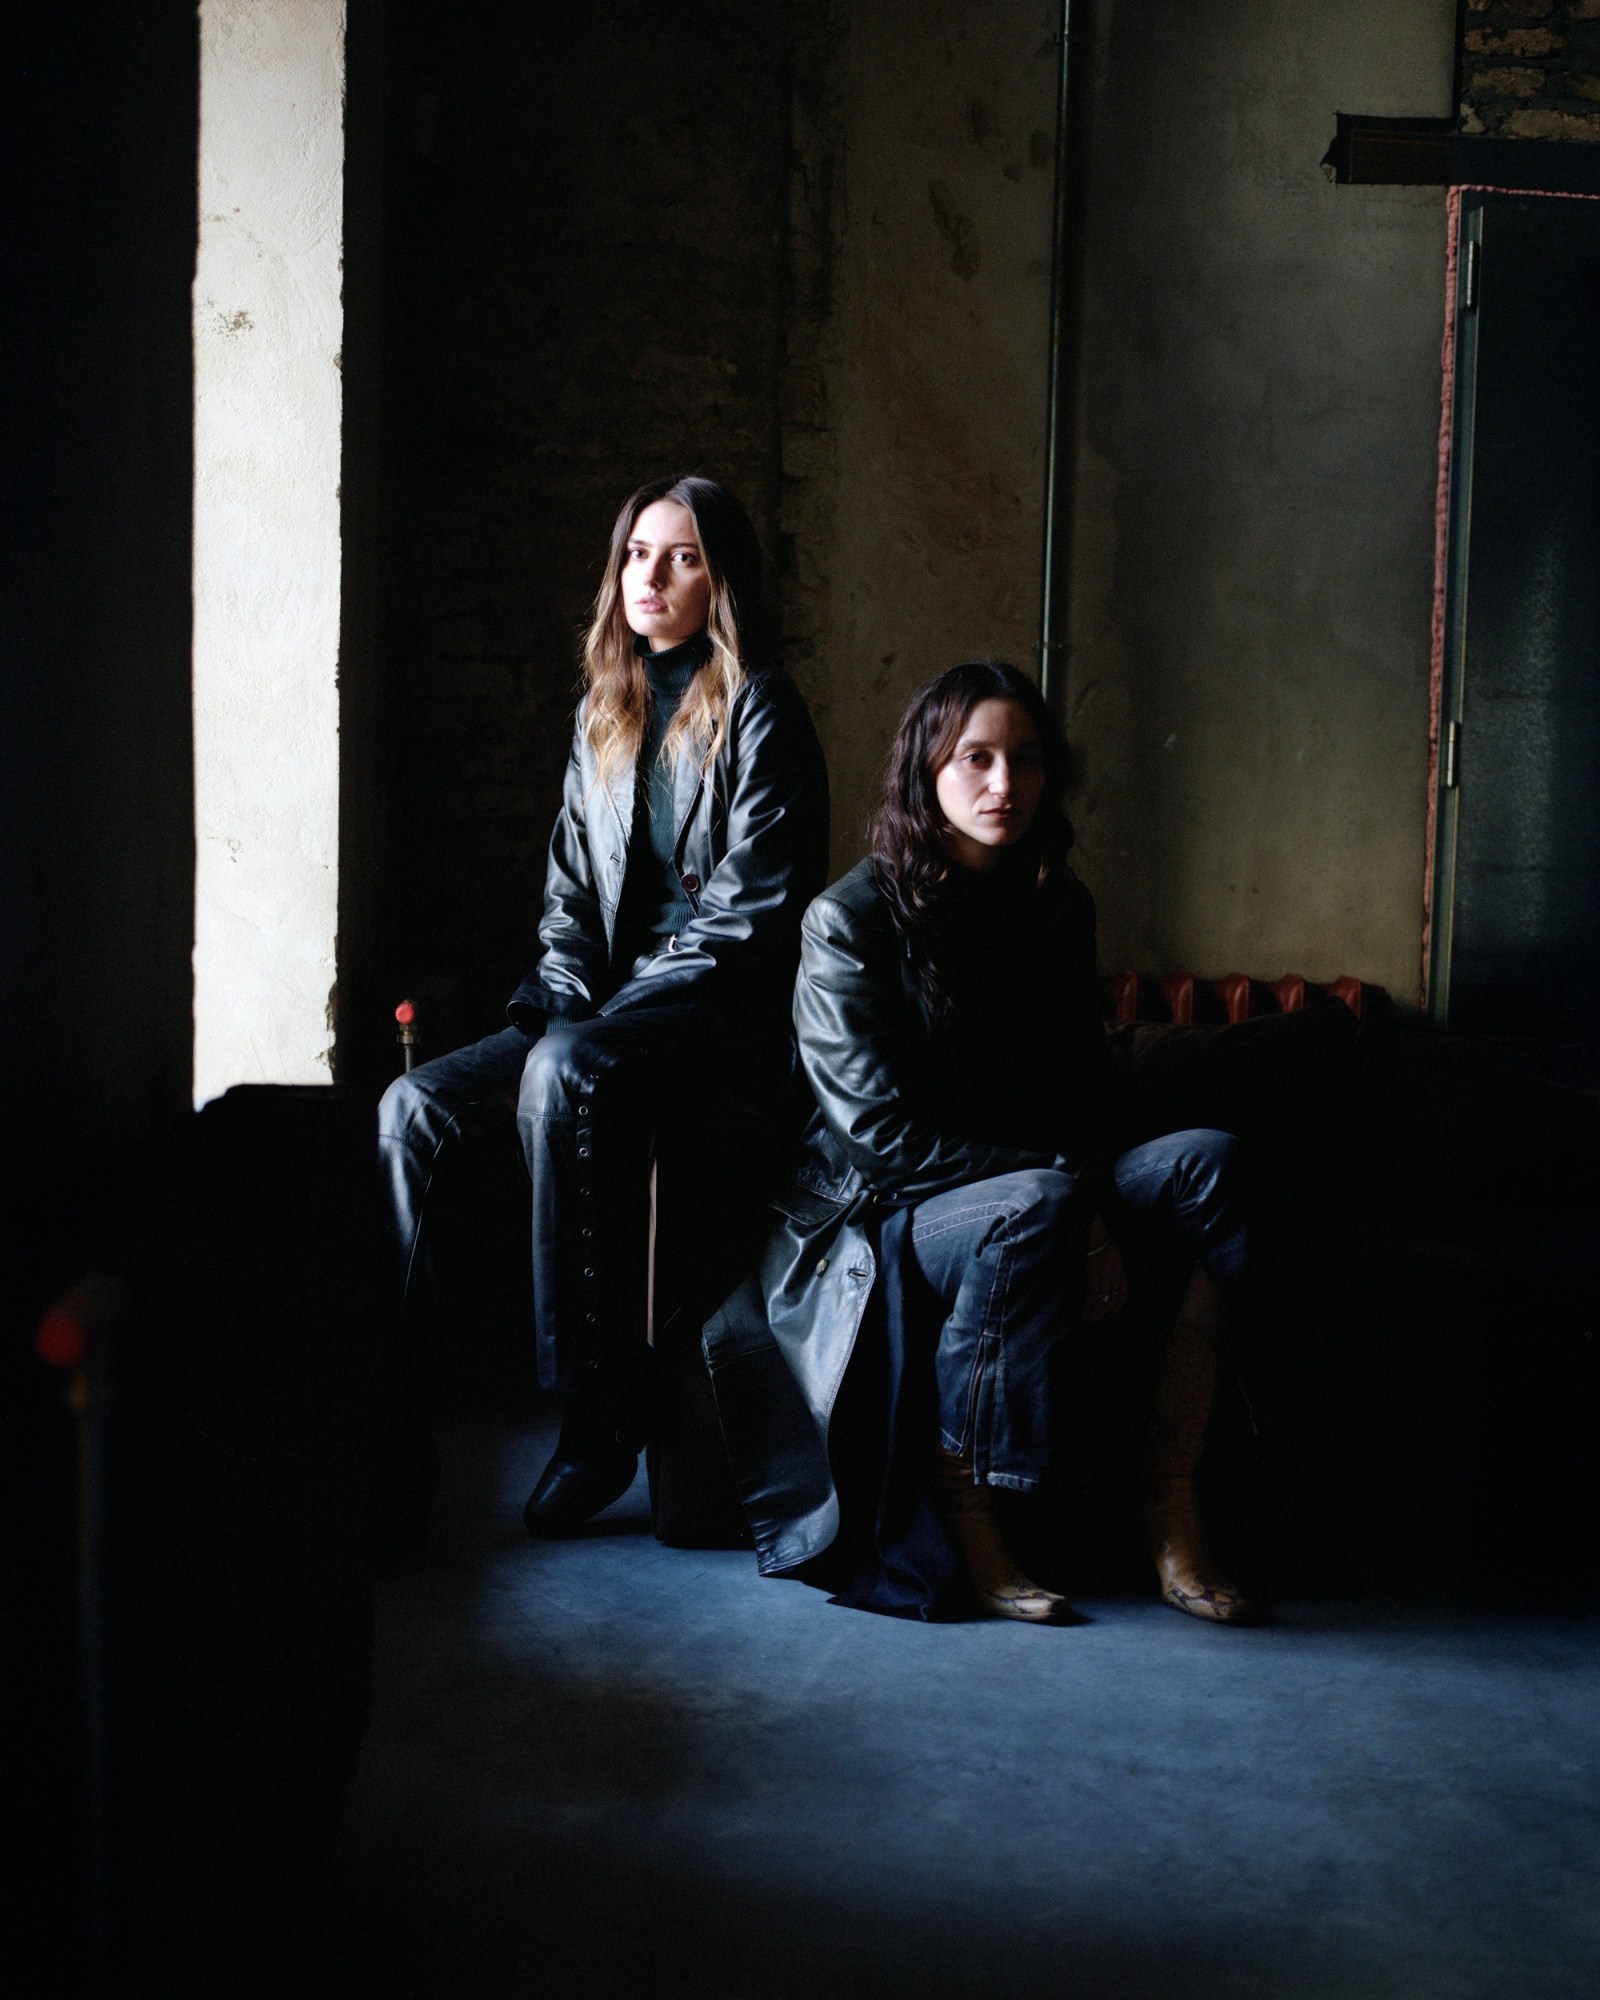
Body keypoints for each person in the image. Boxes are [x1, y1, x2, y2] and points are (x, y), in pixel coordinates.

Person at [704, 660, 1252, 1623]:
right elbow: (879, 1139)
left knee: (1210, 1161)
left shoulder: (1056, 904)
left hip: (1045, 1181)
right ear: (926, 770)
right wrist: (1070, 1198)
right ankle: (971, 1514)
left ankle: (1169, 1492)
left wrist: (1083, 1185)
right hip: (888, 1213)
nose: (1006, 786)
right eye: (977, 759)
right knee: (1033, 1206)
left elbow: (1083, 1088)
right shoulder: (850, 920)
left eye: (1027, 761)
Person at [379, 475, 829, 1538]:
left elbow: (752, 914)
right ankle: (394, 1426)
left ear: (722, 579)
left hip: (713, 1020)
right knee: (411, 1111)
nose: (651, 576)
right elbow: (568, 894)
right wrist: (573, 995)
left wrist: (607, 1015)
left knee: (562, 1069)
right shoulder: (604, 710)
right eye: (636, 554)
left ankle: (595, 1413)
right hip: (594, 1014)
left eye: (680, 557)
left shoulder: (765, 704)